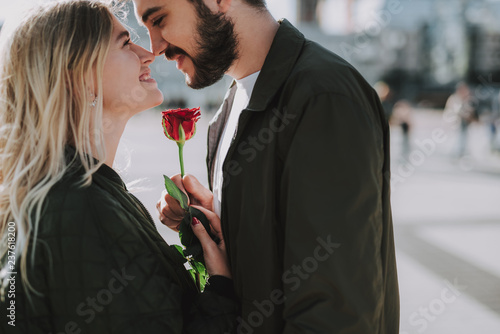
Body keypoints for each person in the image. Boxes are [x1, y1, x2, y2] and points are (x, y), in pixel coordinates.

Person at [136, 0, 400, 332]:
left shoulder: (322, 96)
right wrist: (214, 221)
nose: (155, 47)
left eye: (159, 19)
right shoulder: (232, 105)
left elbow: (335, 310)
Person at [0, 1, 237, 333]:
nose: (148, 53)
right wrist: (223, 286)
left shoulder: (79, 192)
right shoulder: (81, 206)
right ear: (78, 75)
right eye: (125, 43)